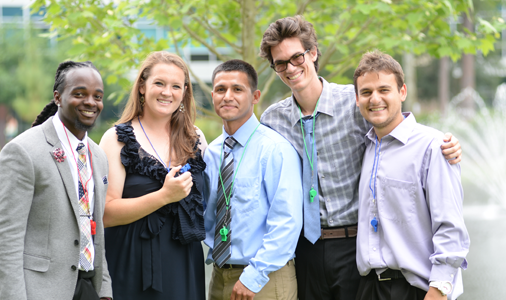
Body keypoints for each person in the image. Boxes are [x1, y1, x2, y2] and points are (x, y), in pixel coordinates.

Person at [258, 15, 463, 300]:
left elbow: (398, 130)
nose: (290, 68)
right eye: (281, 63)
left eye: (297, 57)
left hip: (356, 247)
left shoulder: (355, 103)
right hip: (304, 249)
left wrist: (447, 143)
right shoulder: (272, 120)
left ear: (313, 53)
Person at [0, 61, 113, 300]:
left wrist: (104, 290)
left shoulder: (98, 156)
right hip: (39, 291)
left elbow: (97, 230)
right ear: (58, 97)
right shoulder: (23, 151)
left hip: (87, 289)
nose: (90, 102)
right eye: (79, 94)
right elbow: (5, 239)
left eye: (97, 96)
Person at [353, 50, 469, 300]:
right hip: (370, 288)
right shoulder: (367, 146)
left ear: (402, 92)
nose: (375, 99)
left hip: (415, 290)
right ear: (357, 98)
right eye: (366, 92)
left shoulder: (434, 147)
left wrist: (438, 291)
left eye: (384, 90)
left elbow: (450, 229)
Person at [98, 51, 207, 300]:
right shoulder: (116, 139)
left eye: (176, 86)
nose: (167, 92)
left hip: (184, 262)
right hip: (131, 265)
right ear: (142, 87)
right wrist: (164, 196)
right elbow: (105, 213)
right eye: (159, 83)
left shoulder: (196, 139)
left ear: (184, 92)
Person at [203, 59, 303, 300]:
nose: (227, 96)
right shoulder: (211, 153)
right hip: (219, 277)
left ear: (255, 96)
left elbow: (287, 222)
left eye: (237, 89)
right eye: (220, 89)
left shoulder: (275, 149)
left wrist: (254, 276)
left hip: (264, 279)